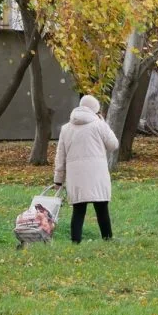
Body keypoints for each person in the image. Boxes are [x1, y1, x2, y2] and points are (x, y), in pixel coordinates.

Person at [54, 95, 119, 243]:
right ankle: (107, 238)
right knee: (102, 207)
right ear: (95, 110)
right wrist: (104, 123)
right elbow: (113, 145)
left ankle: (75, 241)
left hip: (75, 176)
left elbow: (60, 156)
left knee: (78, 209)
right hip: (97, 174)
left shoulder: (66, 128)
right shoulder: (99, 125)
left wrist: (58, 180)